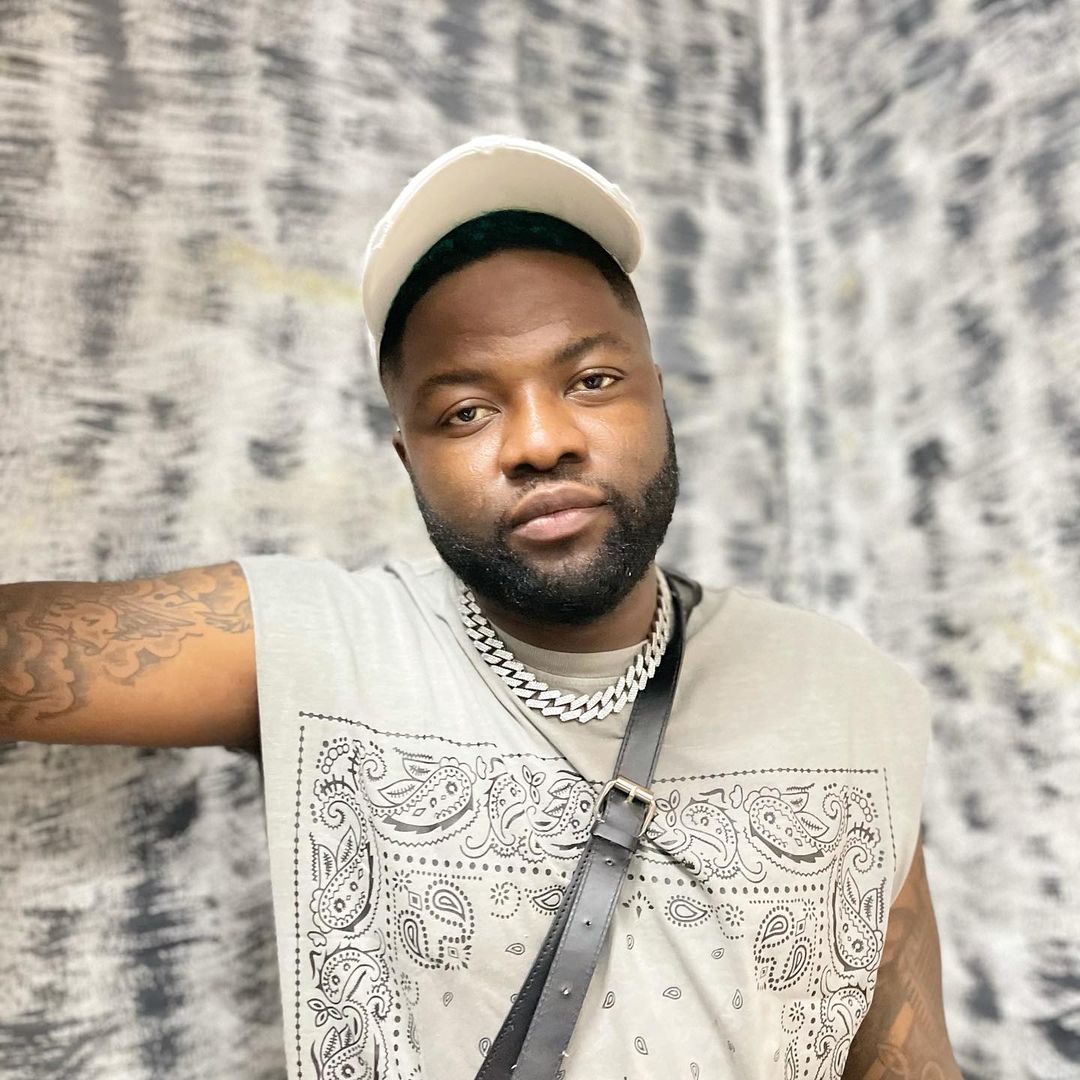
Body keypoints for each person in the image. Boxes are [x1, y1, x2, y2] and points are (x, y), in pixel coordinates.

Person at [0, 136, 960, 1080]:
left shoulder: (846, 694)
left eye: (592, 381)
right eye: (465, 411)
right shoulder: (328, 646)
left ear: (659, 397)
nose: (540, 441)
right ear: (409, 458)